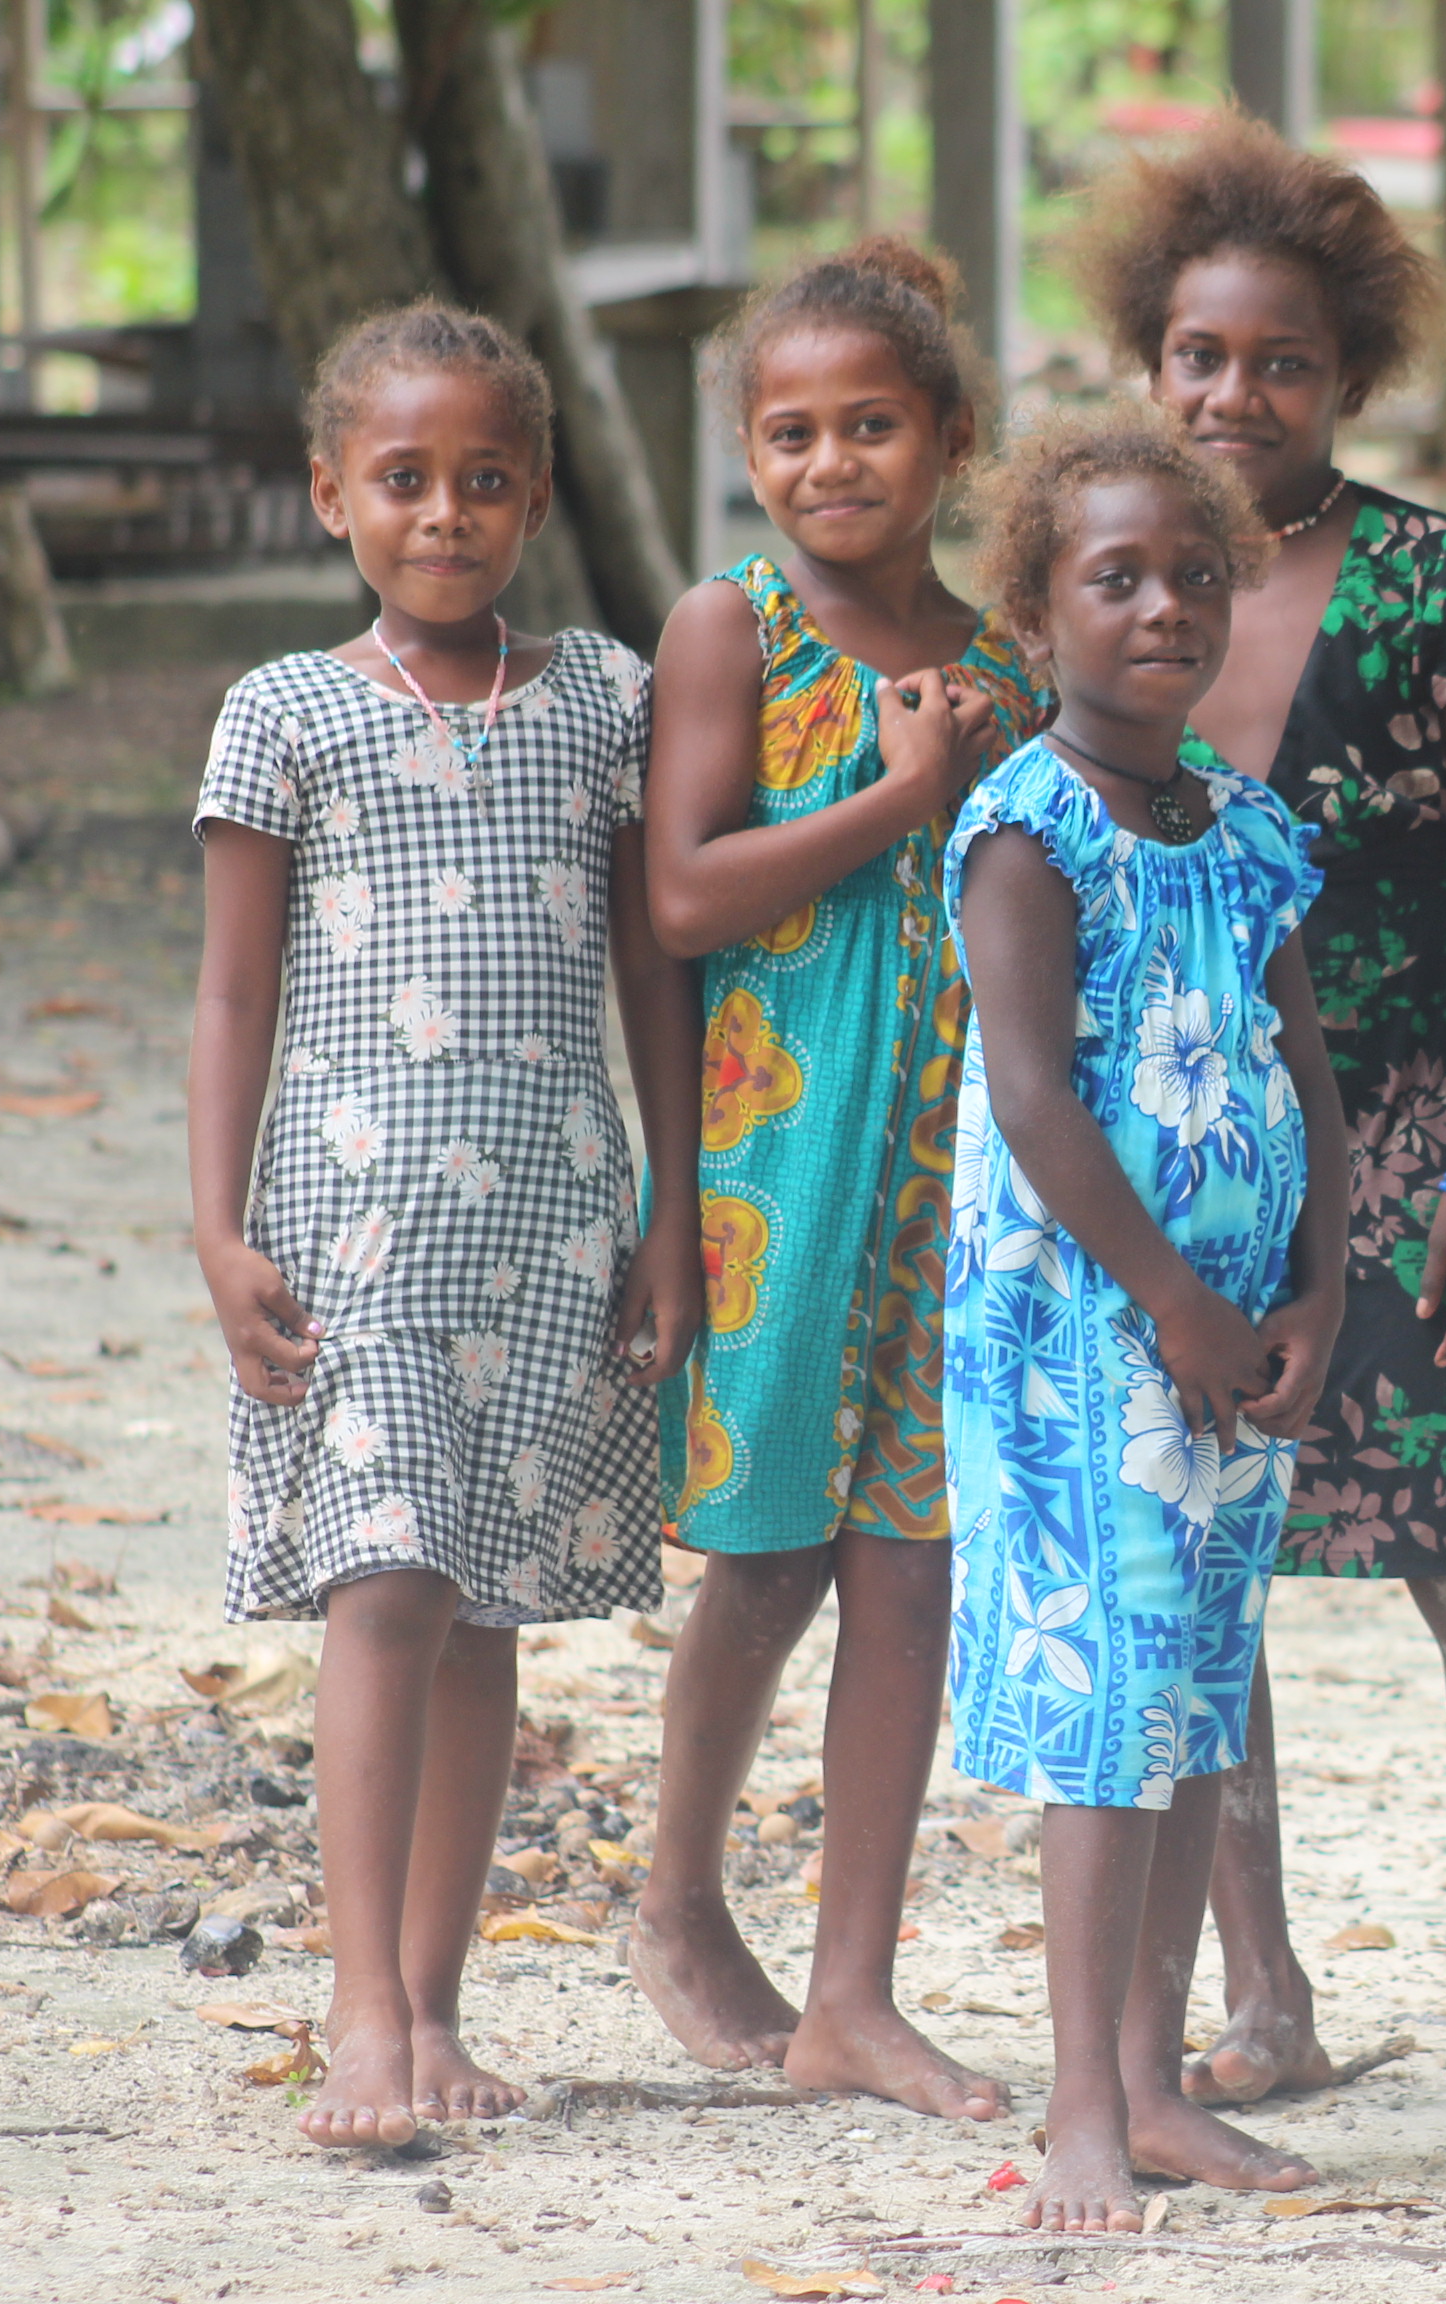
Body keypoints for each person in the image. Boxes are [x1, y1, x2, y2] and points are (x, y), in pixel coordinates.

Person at [1063, 115, 1446, 2126]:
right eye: (1201, 358)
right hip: (1189, 1154)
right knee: (1203, 1564)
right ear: (1152, 361)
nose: (1238, 394)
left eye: (1284, 362)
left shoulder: (1430, 584)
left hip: (1411, 1140)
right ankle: (1267, 2002)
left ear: (1350, 376)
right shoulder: (1103, 572)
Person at [189, 301, 700, 2147]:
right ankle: (351, 2012)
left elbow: (655, 968)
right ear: (333, 494)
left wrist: (673, 1208)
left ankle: (435, 1997)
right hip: (349, 1238)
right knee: (385, 1582)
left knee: (487, 1612)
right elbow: (232, 998)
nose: (446, 514)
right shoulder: (284, 718)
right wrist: (213, 1228)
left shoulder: (607, 697)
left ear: (540, 493)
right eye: (402, 480)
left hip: (556, 1236)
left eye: (487, 480)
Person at [633, 238, 1051, 2119]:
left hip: (957, 1177)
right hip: (772, 1169)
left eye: (868, 425)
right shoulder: (730, 629)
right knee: (766, 1552)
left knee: (915, 1565)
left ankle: (853, 1992)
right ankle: (674, 1896)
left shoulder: (1006, 668)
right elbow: (681, 895)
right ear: (747, 454)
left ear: (949, 441)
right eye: (787, 433)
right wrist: (900, 794)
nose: (827, 465)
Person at [941, 401, 1348, 2229]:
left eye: (1198, 576)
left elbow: (1304, 1077)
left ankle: (1163, 2083)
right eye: (1117, 580)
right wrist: (1178, 1300)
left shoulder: (1251, 828)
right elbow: (1034, 1101)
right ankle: (1083, 2107)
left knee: (1191, 1705)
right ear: (1037, 616)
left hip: (1237, 1341)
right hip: (1083, 1340)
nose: (1165, 607)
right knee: (1103, 1720)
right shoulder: (1026, 825)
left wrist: (1322, 1290)